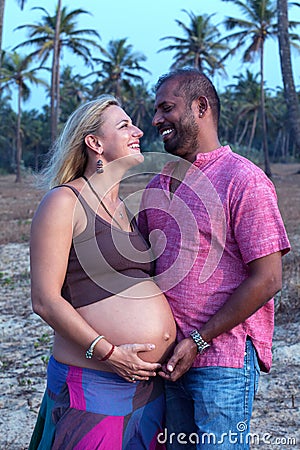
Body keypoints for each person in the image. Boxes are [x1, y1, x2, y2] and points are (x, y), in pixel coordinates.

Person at [138, 68, 290, 449]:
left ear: (200, 107)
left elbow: (268, 278)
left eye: (166, 108)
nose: (156, 120)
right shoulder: (158, 184)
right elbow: (139, 262)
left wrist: (198, 341)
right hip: (169, 363)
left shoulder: (244, 180)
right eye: (156, 111)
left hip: (221, 361)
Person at [28, 95, 176, 450]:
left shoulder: (124, 208)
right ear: (94, 143)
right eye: (124, 125)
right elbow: (45, 301)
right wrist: (110, 353)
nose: (139, 130)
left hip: (144, 387)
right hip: (95, 381)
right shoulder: (64, 202)